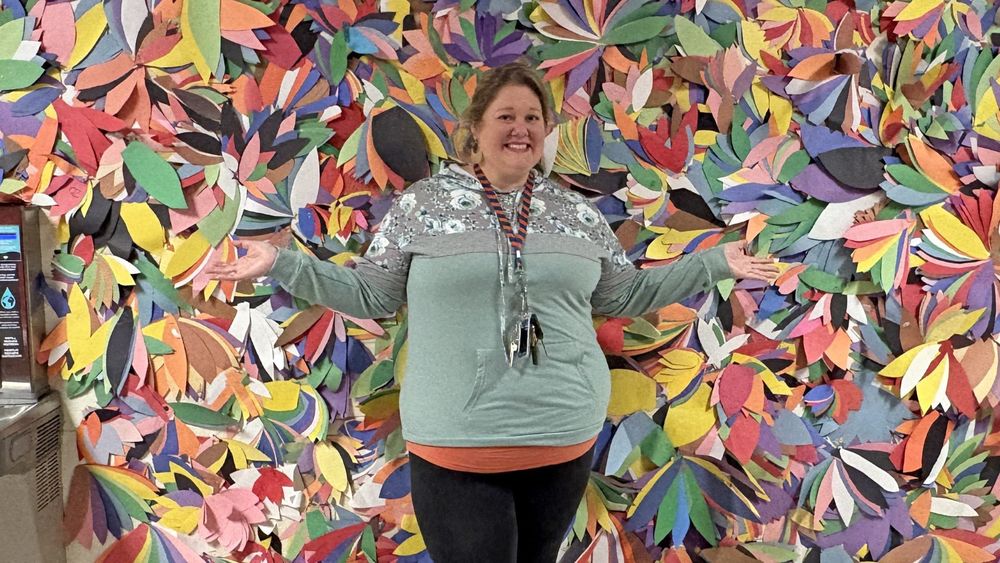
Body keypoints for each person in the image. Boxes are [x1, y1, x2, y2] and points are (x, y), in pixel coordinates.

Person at [207, 61, 779, 562]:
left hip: (562, 435)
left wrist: (715, 262)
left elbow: (622, 296)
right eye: (506, 116)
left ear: (546, 132)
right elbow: (373, 295)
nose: (520, 128)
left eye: (533, 118)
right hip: (457, 440)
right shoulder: (423, 204)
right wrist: (281, 263)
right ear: (475, 129)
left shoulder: (577, 213)